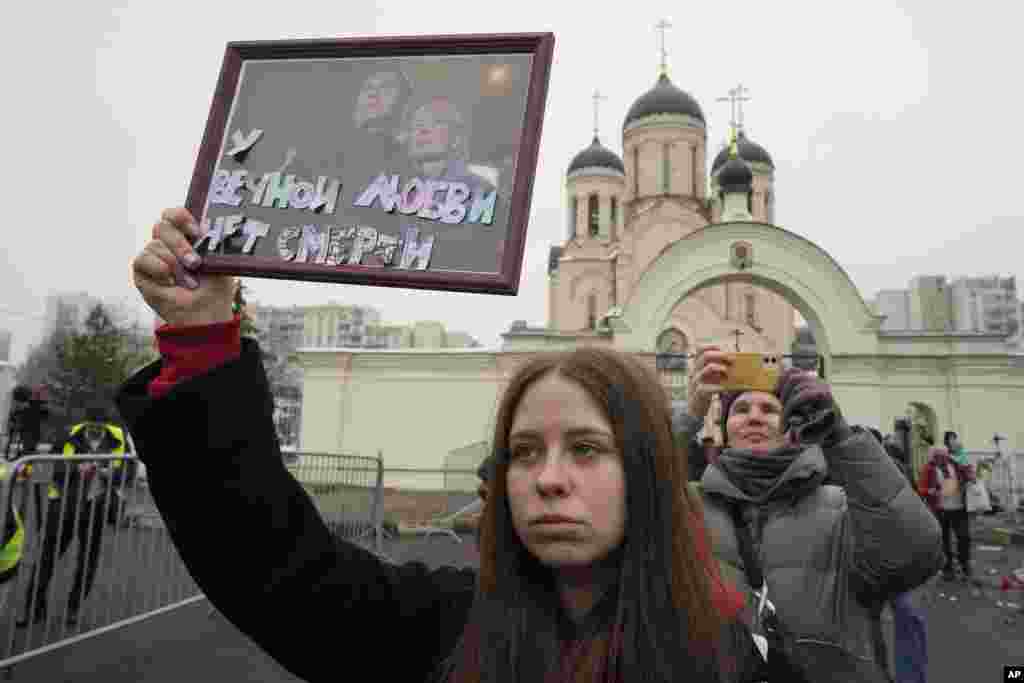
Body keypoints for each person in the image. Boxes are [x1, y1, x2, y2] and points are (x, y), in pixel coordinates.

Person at [119, 208, 766, 683]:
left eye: (588, 448)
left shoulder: (719, 652)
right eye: (524, 451)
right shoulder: (451, 624)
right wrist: (202, 339)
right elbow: (275, 567)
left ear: (646, 469)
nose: (549, 477)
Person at [676, 347, 943, 682]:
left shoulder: (842, 507)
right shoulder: (687, 506)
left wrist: (838, 435)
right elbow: (621, 505)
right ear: (725, 428)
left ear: (790, 427)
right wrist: (688, 414)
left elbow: (915, 554)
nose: (754, 417)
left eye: (769, 409)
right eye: (740, 409)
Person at [17, 402, 132, 628]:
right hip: (64, 507)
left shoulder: (119, 438)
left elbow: (128, 471)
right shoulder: (69, 435)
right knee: (46, 560)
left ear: (106, 425)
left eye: (99, 427)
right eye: (92, 427)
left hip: (97, 507)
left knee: (87, 562)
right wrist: (75, 469)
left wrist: (110, 474)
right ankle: (33, 609)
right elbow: (52, 467)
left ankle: (73, 608)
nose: (95, 431)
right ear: (85, 422)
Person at [919, 446, 975, 582]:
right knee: (944, 541)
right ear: (934, 457)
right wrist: (929, 491)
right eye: (938, 456)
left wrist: (971, 477)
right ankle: (947, 568)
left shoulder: (956, 465)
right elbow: (921, 488)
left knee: (964, 537)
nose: (942, 458)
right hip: (940, 509)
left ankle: (964, 563)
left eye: (944, 455)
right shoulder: (929, 469)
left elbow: (969, 473)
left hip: (959, 508)